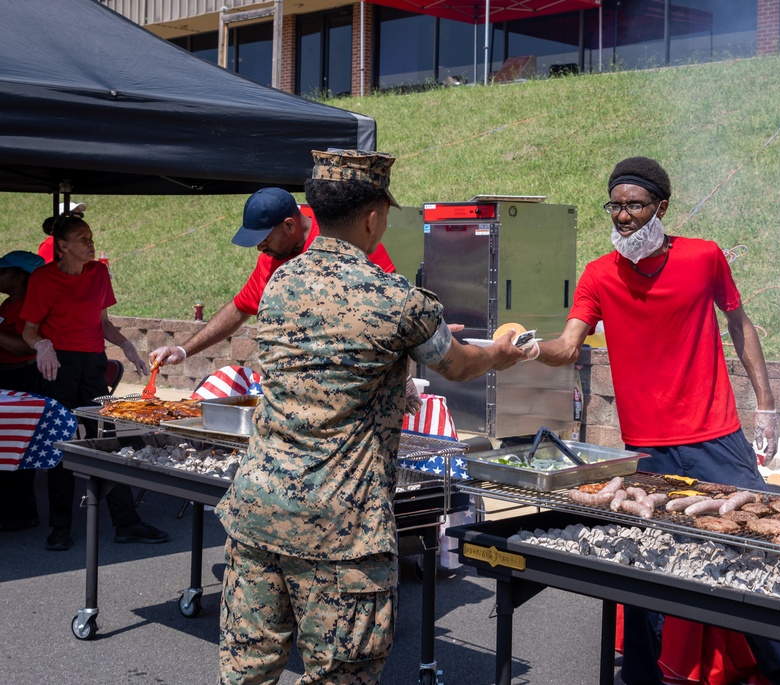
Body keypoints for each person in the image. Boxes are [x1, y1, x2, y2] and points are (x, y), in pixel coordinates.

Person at [215, 149, 527, 684]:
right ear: (373, 216)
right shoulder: (398, 301)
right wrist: (504, 349)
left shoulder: (278, 287)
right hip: (342, 532)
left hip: (256, 513)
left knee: (247, 673)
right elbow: (459, 363)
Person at [535, 156, 780, 685]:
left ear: (661, 207)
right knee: (647, 563)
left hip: (716, 436)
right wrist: (523, 348)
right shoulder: (598, 274)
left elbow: (739, 324)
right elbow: (568, 346)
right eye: (615, 206)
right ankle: (645, 676)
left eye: (634, 205)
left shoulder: (704, 258)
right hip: (647, 448)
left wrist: (766, 405)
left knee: (752, 548)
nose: (623, 217)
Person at [20, 212, 170, 551]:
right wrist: (42, 344)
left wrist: (127, 345)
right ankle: (60, 527)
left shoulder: (98, 272)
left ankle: (126, 523)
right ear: (63, 246)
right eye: (84, 239)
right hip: (57, 365)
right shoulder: (43, 279)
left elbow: (103, 323)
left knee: (108, 440)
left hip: (92, 364)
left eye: (91, 237)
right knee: (64, 442)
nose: (91, 243)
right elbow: (29, 329)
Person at [148, 188, 395, 368]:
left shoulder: (340, 234)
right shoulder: (271, 258)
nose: (259, 249)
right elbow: (238, 309)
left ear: (289, 225)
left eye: (265, 240)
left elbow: (391, 301)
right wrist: (182, 349)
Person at [0, 250, 46, 531]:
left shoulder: (30, 306)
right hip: (6, 379)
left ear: (19, 276)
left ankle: (22, 513)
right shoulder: (7, 304)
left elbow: (24, 346)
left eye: (2, 271)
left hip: (24, 379)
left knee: (20, 448)